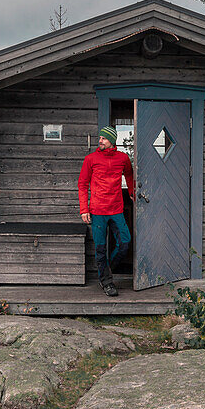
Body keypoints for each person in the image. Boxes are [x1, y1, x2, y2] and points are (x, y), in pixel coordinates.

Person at [78, 125, 134, 296]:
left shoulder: (123, 158)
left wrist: (131, 192)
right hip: (97, 211)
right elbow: (82, 184)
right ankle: (107, 282)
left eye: (103, 138)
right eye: (100, 138)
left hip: (116, 209)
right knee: (100, 247)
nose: (100, 140)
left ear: (112, 140)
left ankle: (107, 269)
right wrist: (84, 209)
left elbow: (129, 175)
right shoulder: (91, 159)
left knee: (125, 242)